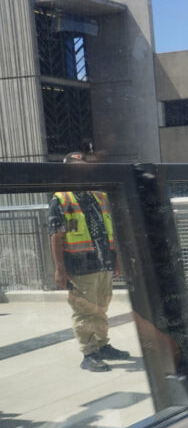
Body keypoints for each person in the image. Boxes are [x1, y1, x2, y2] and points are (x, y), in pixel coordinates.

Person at [48, 152, 132, 372]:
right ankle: (89, 352)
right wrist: (59, 269)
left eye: (85, 166)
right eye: (78, 167)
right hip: (80, 266)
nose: (84, 170)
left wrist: (117, 259)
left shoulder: (99, 195)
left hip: (103, 262)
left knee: (101, 308)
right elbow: (56, 235)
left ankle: (102, 346)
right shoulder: (62, 198)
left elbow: (111, 230)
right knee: (84, 310)